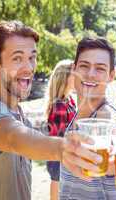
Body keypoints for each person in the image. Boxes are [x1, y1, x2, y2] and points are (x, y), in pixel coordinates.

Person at [0, 21, 106, 200]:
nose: (29, 68)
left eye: (32, 57)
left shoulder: (19, 113)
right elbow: (13, 137)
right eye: (17, 58)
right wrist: (61, 148)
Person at [59, 37, 116, 200]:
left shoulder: (107, 117)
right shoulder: (78, 113)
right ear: (74, 70)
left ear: (111, 75)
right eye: (84, 66)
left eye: (100, 69)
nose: (90, 74)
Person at [44, 60, 76, 200]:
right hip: (59, 156)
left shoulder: (70, 101)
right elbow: (58, 139)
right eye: (74, 74)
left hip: (67, 155)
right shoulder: (59, 106)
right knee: (57, 189)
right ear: (64, 79)